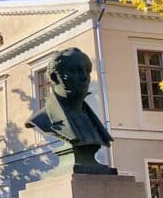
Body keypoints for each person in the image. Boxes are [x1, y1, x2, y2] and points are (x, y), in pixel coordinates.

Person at [25, 47, 115, 175]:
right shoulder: (42, 119)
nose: (85, 77)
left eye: (87, 71)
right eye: (76, 71)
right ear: (55, 77)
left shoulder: (91, 121)